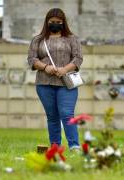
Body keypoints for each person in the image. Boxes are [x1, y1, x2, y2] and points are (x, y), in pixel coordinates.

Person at [27, 8, 83, 151]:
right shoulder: (38, 40)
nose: (55, 24)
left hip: (66, 83)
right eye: (52, 22)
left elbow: (78, 58)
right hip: (44, 84)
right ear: (47, 22)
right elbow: (32, 59)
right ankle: (55, 147)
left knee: (67, 114)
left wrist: (64, 69)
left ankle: (74, 145)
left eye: (58, 22)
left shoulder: (72, 39)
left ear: (63, 23)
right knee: (52, 117)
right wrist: (45, 67)